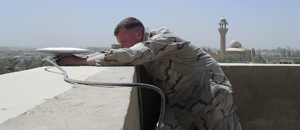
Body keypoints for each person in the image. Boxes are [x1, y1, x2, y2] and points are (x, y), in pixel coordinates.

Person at [59, 17, 242, 130]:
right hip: (182, 105)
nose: (122, 46)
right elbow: (120, 53)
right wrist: (86, 57)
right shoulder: (142, 46)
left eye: (124, 41)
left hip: (211, 98)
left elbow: (133, 54)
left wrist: (84, 62)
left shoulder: (163, 37)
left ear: (139, 34)